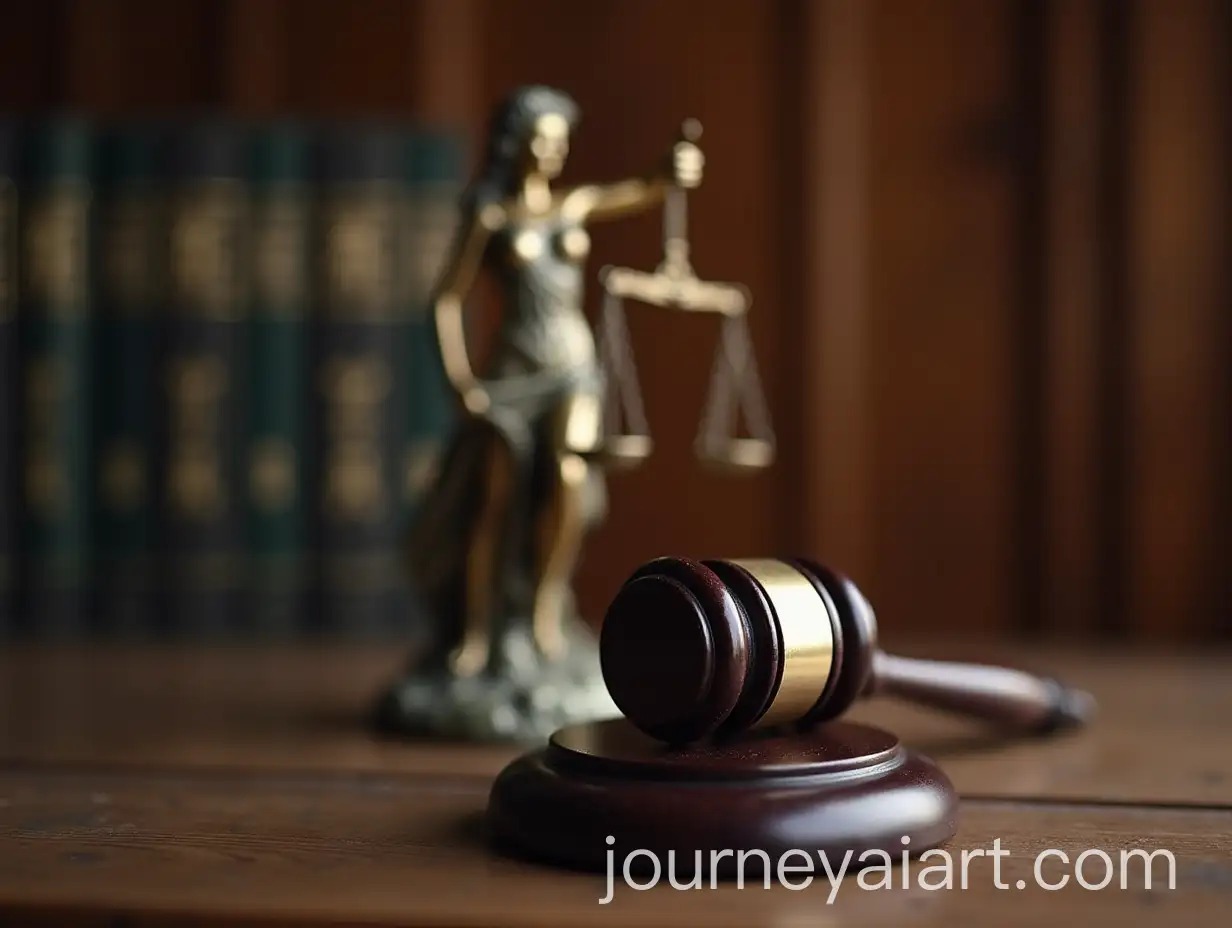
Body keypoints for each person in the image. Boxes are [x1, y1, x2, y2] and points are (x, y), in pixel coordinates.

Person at [406, 85, 703, 690]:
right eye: (541, 139)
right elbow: (445, 300)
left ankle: (545, 610)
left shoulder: (575, 205)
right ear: (514, 144)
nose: (552, 152)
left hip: (574, 369)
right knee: (497, 501)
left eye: (561, 142)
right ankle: (478, 632)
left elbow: (645, 187)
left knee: (568, 477)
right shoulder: (490, 216)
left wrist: (675, 168)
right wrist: (462, 385)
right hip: (512, 376)